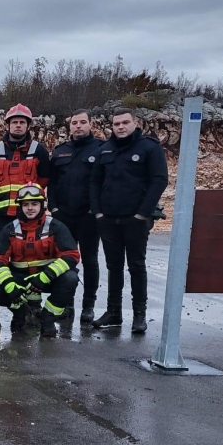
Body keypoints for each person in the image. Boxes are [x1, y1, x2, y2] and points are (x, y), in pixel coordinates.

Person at [90, 107, 169, 333]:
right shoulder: (104, 150)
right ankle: (114, 312)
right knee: (114, 267)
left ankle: (139, 315)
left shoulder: (149, 148)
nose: (121, 127)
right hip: (108, 219)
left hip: (136, 219)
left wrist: (142, 213)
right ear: (112, 126)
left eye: (125, 122)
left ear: (135, 123)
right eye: (117, 124)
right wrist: (98, 212)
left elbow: (159, 180)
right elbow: (94, 183)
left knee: (136, 266)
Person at [0, 185, 80, 337]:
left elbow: (71, 255)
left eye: (34, 204)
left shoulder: (56, 226)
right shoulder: (10, 229)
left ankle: (48, 318)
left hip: (47, 278)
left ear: (42, 205)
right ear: (20, 206)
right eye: (26, 204)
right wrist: (9, 285)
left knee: (70, 278)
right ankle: (20, 312)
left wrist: (45, 276)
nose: (30, 208)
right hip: (19, 278)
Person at [48, 110, 104, 323]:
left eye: (83, 122)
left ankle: (88, 305)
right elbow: (52, 183)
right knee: (64, 261)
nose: (78, 126)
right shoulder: (61, 151)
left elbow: (102, 182)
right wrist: (53, 209)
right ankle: (66, 303)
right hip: (63, 216)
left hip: (88, 216)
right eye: (74, 123)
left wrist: (95, 209)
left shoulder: (100, 149)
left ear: (91, 124)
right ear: (69, 126)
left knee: (90, 261)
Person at [0, 103, 51, 245]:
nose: (18, 125)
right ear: (7, 125)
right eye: (14, 122)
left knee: (26, 256)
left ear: (28, 125)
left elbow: (44, 180)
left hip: (28, 215)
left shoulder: (39, 151)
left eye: (22, 122)